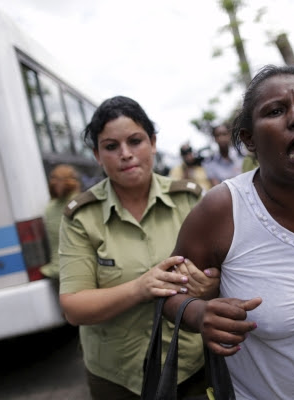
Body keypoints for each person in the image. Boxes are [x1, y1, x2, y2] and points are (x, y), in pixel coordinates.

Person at [165, 65, 294, 399]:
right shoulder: (221, 210)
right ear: (249, 139)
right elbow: (168, 291)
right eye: (276, 111)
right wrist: (198, 312)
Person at [57, 96, 220, 399]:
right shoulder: (82, 217)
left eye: (135, 141)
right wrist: (140, 288)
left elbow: (224, 274)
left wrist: (211, 284)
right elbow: (74, 306)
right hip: (117, 377)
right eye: (111, 146)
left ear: (153, 142)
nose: (126, 154)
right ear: (96, 154)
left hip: (192, 367)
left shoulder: (192, 200)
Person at [40, 164, 82, 279]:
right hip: (80, 268)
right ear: (74, 182)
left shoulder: (49, 208)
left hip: (56, 271)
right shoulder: (78, 203)